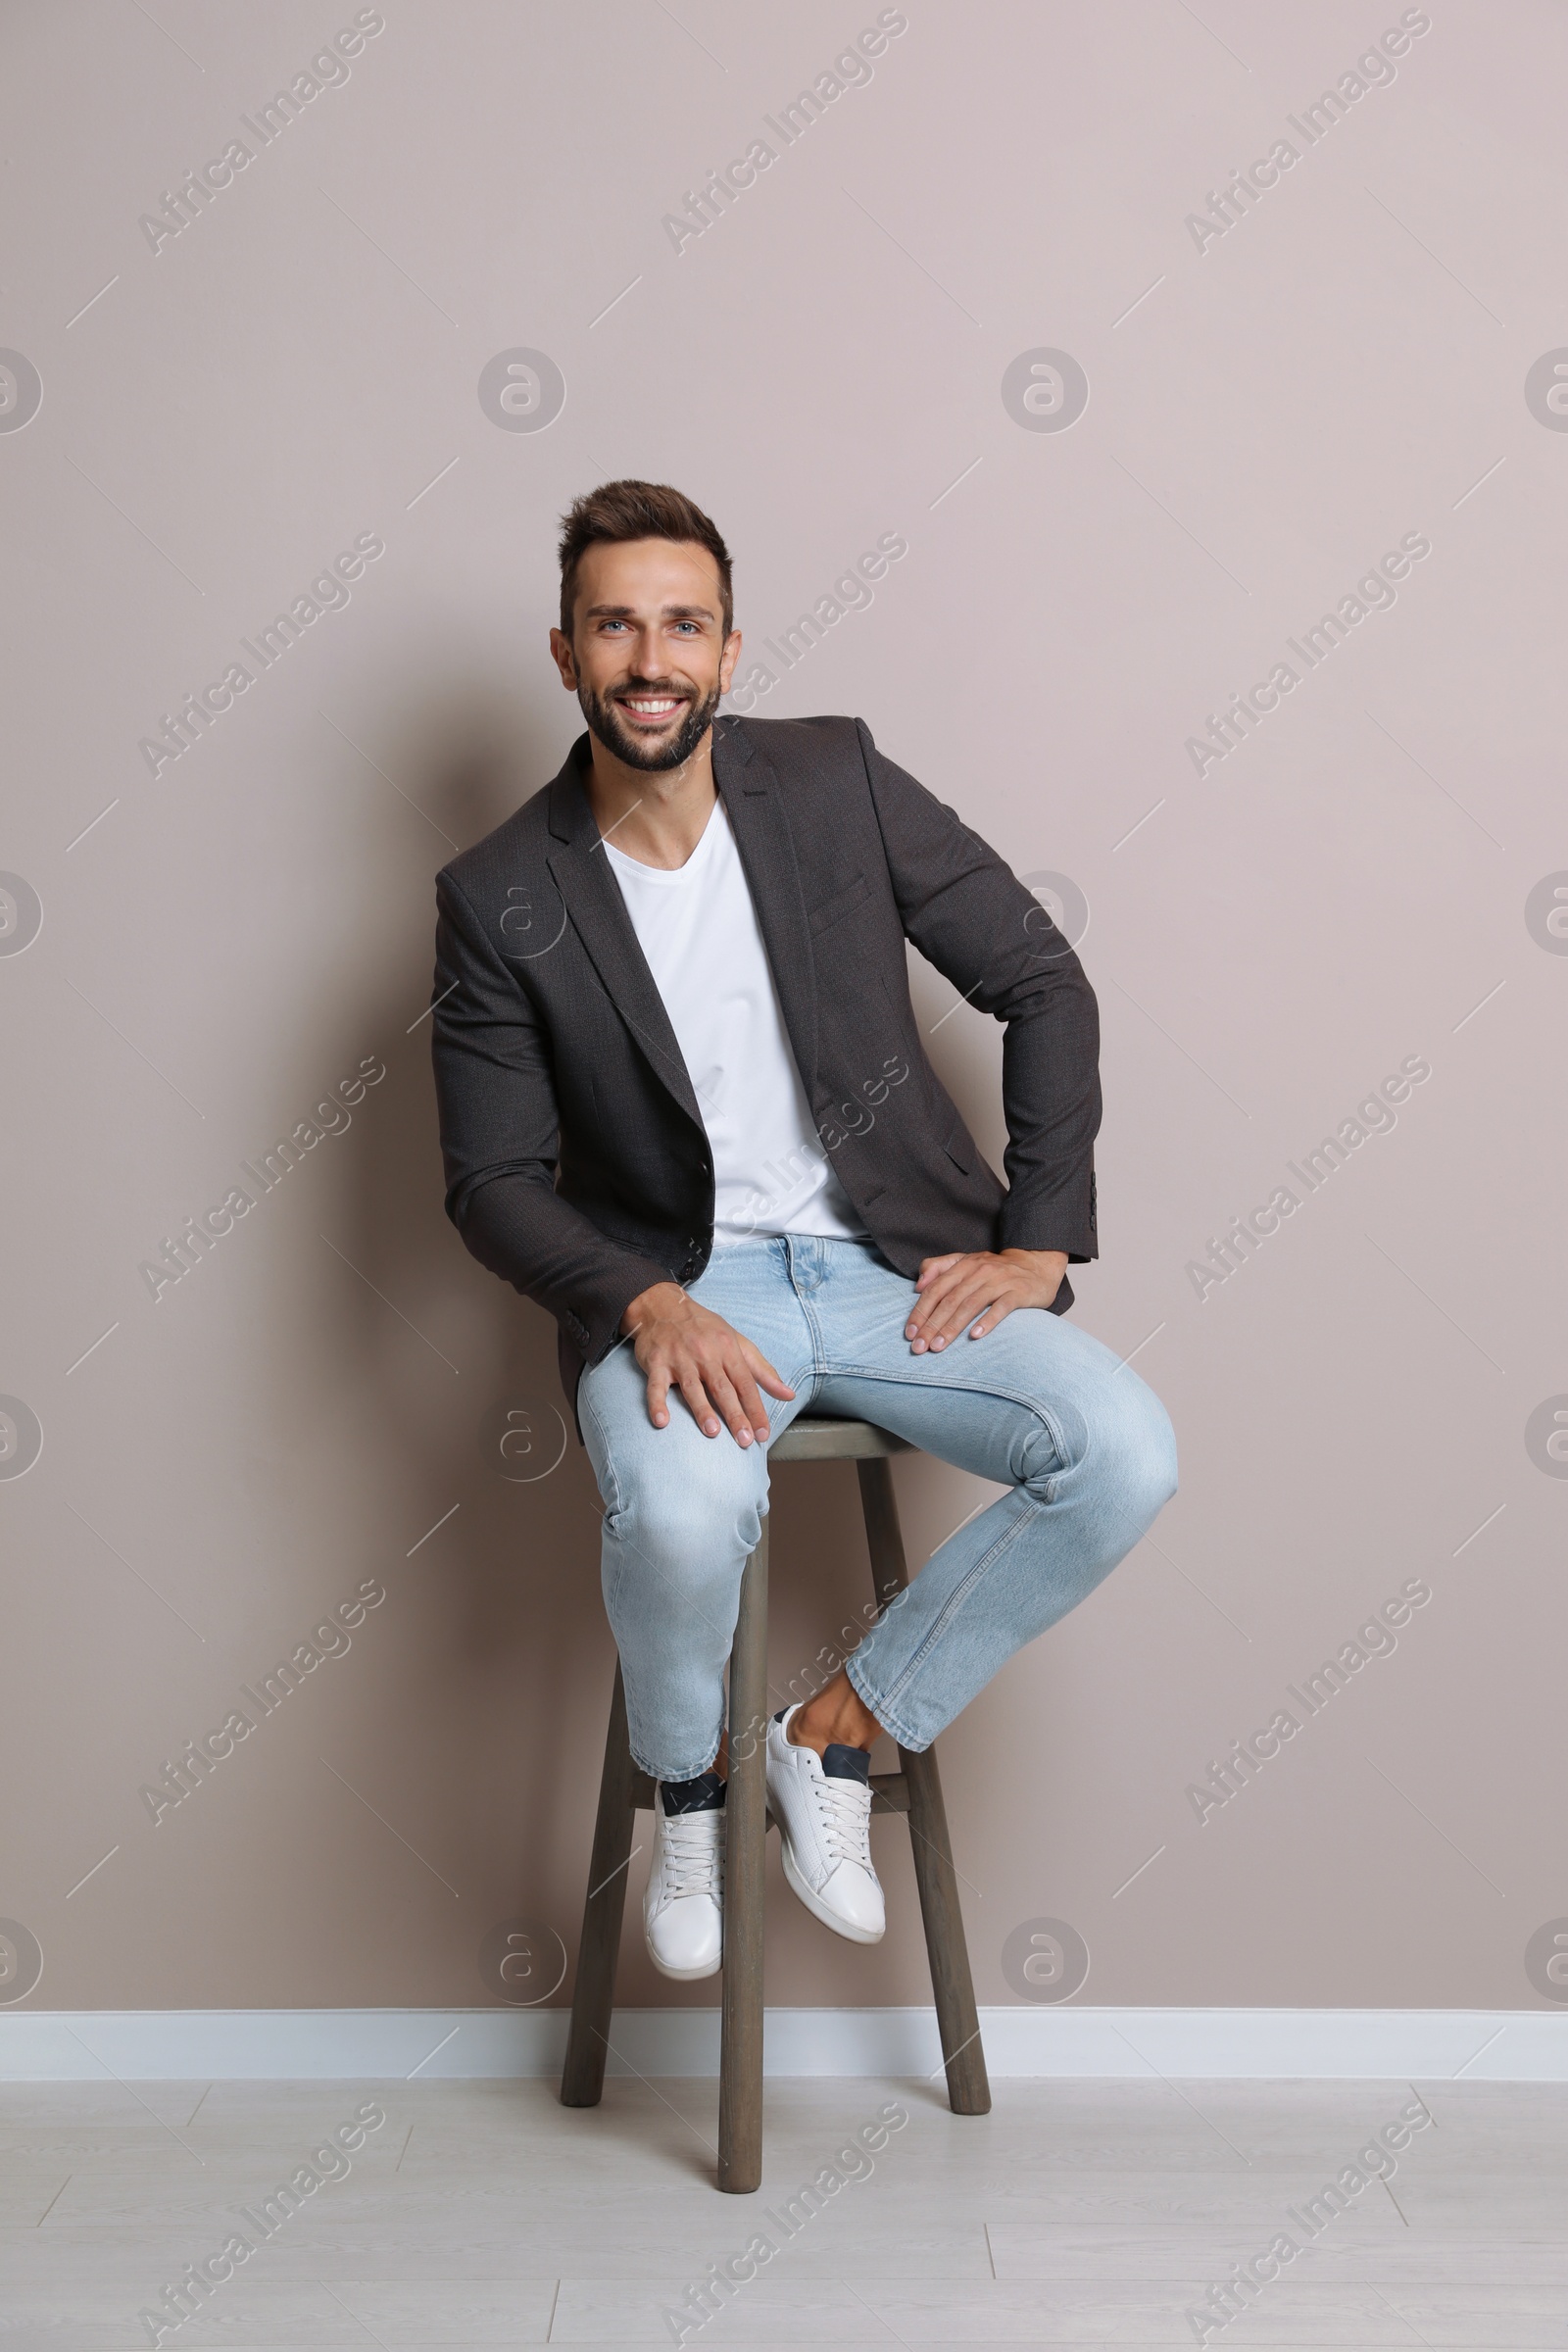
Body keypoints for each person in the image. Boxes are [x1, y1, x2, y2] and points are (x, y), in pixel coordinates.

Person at [430, 480, 1177, 1980]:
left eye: (683, 624)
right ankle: (689, 1787)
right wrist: (643, 1304)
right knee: (690, 1512)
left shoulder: (833, 780)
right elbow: (493, 1182)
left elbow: (1045, 982)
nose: (652, 657)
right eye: (616, 625)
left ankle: (830, 1739)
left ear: (730, 647)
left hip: (889, 1273)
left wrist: (1041, 1236)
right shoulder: (502, 889)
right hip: (682, 1293)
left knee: (1124, 1454)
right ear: (565, 654)